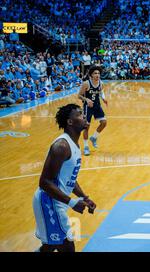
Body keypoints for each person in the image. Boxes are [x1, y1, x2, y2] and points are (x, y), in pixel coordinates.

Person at [32, 104, 96, 252]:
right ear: (70, 122)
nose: (84, 116)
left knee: (50, 245)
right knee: (67, 246)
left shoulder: (73, 143)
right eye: (79, 114)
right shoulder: (61, 146)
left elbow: (69, 178)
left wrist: (84, 197)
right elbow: (44, 182)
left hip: (57, 200)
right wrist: (73, 202)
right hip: (49, 202)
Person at [78, 66, 108, 156]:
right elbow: (79, 95)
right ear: (91, 75)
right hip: (88, 106)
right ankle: (86, 147)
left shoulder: (101, 83)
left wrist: (103, 98)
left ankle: (94, 137)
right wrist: (87, 100)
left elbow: (101, 91)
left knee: (104, 122)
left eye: (98, 73)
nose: (97, 75)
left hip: (97, 105)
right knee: (86, 126)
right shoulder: (86, 84)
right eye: (95, 73)